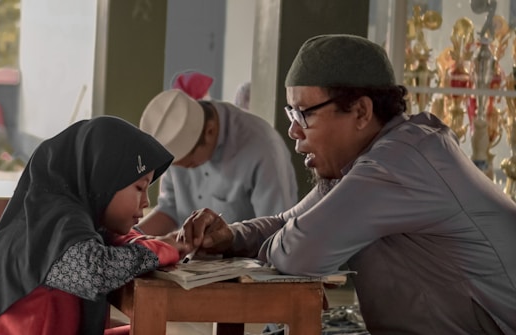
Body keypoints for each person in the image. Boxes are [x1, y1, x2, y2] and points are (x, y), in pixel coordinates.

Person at [179, 34, 516, 334]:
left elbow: (302, 252)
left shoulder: (400, 160)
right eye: (291, 113)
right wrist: (231, 237)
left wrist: (277, 245)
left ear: (360, 112)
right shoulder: (363, 163)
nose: (294, 131)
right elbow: (288, 224)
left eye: (304, 114)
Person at [0, 116, 187, 335]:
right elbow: (95, 274)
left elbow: (115, 240)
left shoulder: (73, 218)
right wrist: (164, 249)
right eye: (139, 187)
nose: (146, 201)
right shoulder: (56, 221)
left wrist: (178, 243)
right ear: (105, 179)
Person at [136, 89, 298, 236]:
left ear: (210, 132)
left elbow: (276, 230)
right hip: (191, 260)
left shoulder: (262, 148)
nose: (181, 169)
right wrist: (129, 239)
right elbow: (169, 210)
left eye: (189, 163)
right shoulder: (178, 141)